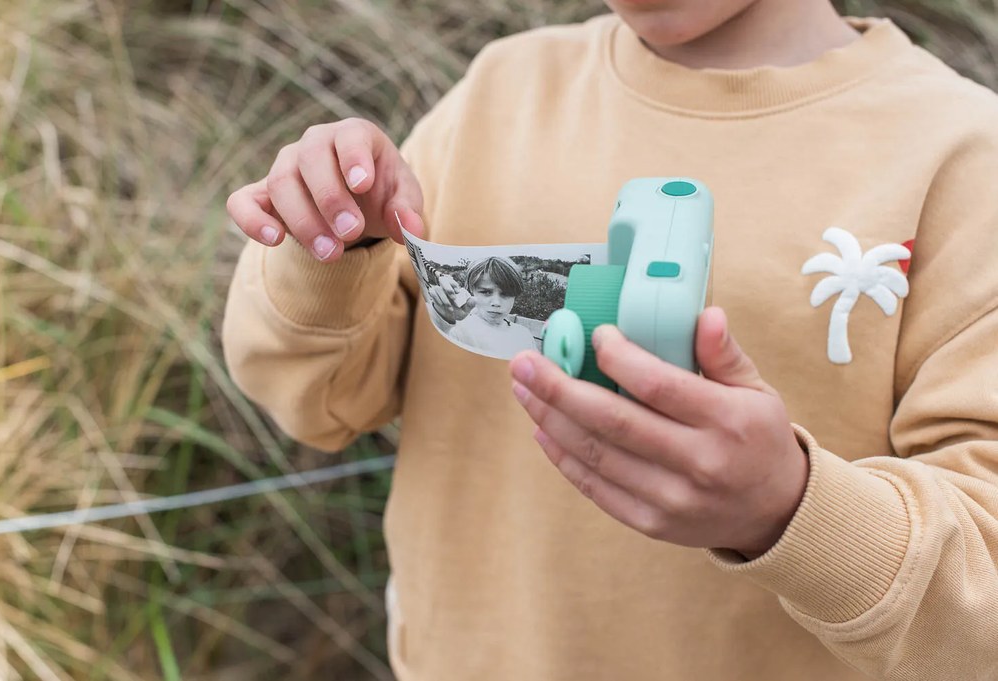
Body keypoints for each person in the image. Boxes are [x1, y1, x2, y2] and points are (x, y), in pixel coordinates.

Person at [222, 0, 998, 678]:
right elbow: (319, 398)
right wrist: (331, 243)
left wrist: (787, 508)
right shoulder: (503, 91)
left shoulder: (959, 156)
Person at [427, 256, 538, 358]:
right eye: (486, 292)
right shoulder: (457, 329)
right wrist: (440, 318)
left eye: (505, 294)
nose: (496, 302)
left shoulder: (523, 335)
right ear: (472, 290)